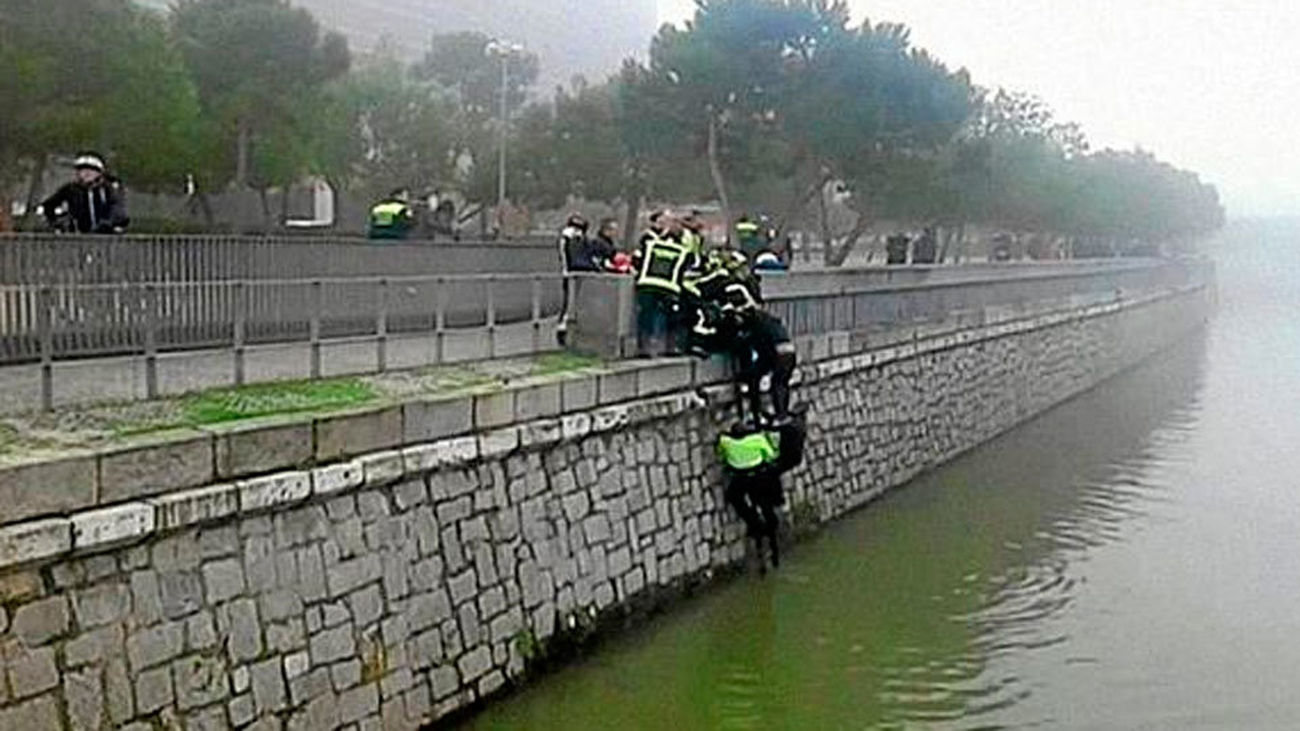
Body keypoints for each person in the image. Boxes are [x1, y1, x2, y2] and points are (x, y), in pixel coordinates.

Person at [717, 410, 807, 573]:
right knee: (766, 506)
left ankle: (754, 524)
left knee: (734, 497)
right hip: (760, 478)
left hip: (740, 479)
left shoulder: (726, 442)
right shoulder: (757, 439)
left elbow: (721, 451)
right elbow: (771, 456)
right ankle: (773, 544)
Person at [635, 211, 696, 357]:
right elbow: (690, 262)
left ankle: (654, 346)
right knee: (653, 315)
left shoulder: (653, 243)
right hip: (666, 286)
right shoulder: (650, 239)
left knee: (655, 315)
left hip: (654, 284)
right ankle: (660, 346)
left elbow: (638, 258)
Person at [41, 153, 129, 234]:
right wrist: (58, 223)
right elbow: (48, 206)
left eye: (92, 170)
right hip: (78, 236)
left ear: (99, 173)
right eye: (82, 170)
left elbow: (118, 210)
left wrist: (107, 224)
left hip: (106, 236)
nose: (87, 173)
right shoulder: (71, 189)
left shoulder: (109, 189)